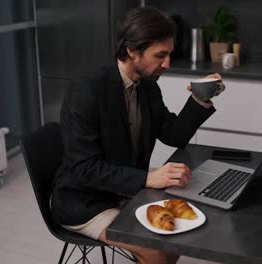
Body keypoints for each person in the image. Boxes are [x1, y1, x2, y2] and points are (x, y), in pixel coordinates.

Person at [51, 6, 223, 264]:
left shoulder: (148, 87)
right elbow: (84, 168)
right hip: (85, 201)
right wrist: (148, 178)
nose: (167, 64)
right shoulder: (86, 90)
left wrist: (200, 98)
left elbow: (173, 135)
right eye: (160, 55)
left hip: (123, 191)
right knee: (156, 252)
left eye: (169, 55)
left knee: (174, 238)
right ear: (132, 51)